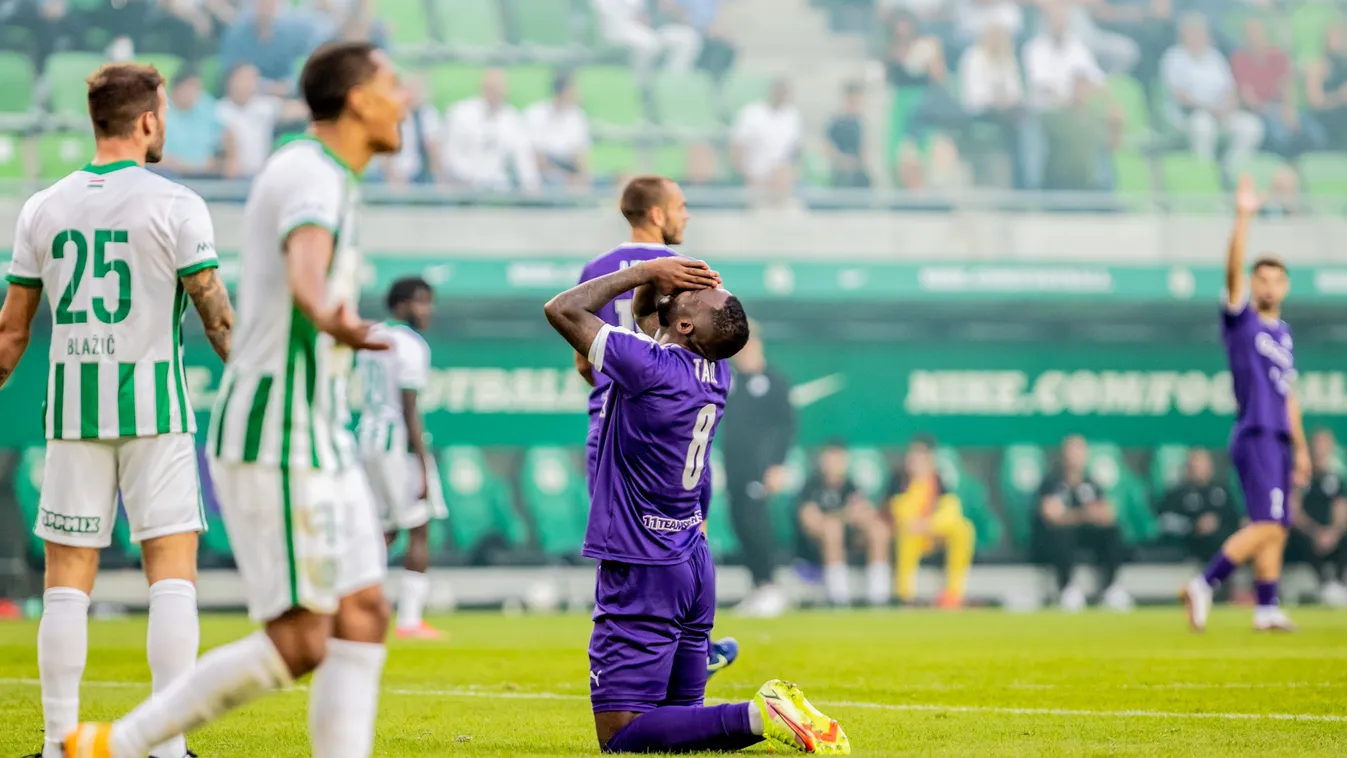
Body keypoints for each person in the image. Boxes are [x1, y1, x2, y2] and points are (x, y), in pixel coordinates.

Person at [64, 41, 406, 757]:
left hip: (320, 433)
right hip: (276, 434)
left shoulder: (334, 175)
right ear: (356, 99)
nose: (405, 97)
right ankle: (115, 745)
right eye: (391, 84)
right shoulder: (308, 173)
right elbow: (307, 273)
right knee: (303, 637)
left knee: (367, 612)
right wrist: (338, 319)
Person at [0, 62, 234, 758]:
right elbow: (213, 310)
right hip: (156, 411)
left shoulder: (43, 206)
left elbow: (12, 330)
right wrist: (252, 377)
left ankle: (54, 745)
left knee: (67, 580)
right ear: (148, 120)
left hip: (73, 413)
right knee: (171, 570)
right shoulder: (176, 204)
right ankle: (167, 746)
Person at [543, 253, 848, 754]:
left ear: (685, 325)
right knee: (682, 729)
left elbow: (563, 309)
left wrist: (644, 271)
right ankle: (756, 716)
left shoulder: (652, 367)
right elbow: (649, 322)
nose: (683, 293)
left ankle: (759, 714)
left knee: (621, 738)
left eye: (694, 299)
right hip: (691, 559)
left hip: (644, 562)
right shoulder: (715, 372)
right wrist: (660, 285)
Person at [572, 175, 739, 679]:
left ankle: (648, 656)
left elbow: (585, 364)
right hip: (681, 418)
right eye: (682, 206)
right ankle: (690, 647)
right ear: (659, 215)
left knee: (627, 544)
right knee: (687, 530)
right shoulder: (692, 273)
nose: (687, 216)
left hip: (617, 419)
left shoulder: (597, 271)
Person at [1182, 175, 1308, 634]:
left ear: (1287, 286)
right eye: (1262, 278)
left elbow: (1287, 392)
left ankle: (1266, 607)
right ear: (1253, 284)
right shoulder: (1243, 322)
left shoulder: (1284, 334)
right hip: (1254, 431)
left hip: (1279, 437)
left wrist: (1303, 449)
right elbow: (1232, 271)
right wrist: (1243, 217)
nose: (1270, 286)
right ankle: (1204, 582)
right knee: (1269, 525)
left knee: (1274, 523)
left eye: (1278, 279)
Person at [355, 277, 449, 639]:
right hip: (396, 442)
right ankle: (409, 620)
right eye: (421, 302)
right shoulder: (411, 345)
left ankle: (350, 603)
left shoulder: (371, 335)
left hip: (368, 437)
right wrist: (424, 466)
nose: (427, 310)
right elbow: (409, 409)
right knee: (419, 524)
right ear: (400, 304)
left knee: (382, 528)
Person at [721, 322, 795, 618]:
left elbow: (787, 427)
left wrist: (777, 464)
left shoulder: (774, 382)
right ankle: (757, 586)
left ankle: (771, 586)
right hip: (734, 468)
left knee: (756, 523)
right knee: (740, 523)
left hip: (760, 468)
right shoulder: (731, 381)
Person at [1033, 435, 1131, 612]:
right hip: (1059, 536)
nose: (1074, 456)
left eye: (1078, 451)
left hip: (1087, 534)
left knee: (1111, 531)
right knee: (1061, 534)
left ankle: (1110, 588)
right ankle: (1067, 588)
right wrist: (1085, 514)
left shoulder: (1091, 483)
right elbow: (1052, 516)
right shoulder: (1051, 482)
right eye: (1070, 451)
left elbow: (1108, 513)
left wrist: (1073, 514)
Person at [1161, 13, 1264, 176]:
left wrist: (1227, 108)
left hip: (1222, 113)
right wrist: (1209, 109)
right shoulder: (1174, 57)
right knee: (1203, 126)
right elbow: (1180, 95)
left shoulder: (1215, 57)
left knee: (1251, 126)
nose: (1197, 37)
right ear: (1183, 35)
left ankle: (1230, 170)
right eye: (1192, 32)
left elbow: (1230, 89)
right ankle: (1205, 172)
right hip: (1190, 115)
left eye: (1200, 32)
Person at [797, 442, 892, 607]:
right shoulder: (812, 486)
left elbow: (865, 511)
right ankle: (838, 596)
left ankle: (879, 596)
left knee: (878, 530)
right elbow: (810, 521)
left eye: (838, 459)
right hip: (816, 544)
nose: (834, 464)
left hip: (851, 538)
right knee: (832, 529)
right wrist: (843, 516)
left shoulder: (850, 486)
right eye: (830, 458)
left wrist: (860, 516)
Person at [888, 436, 974, 608]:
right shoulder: (900, 480)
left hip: (933, 532)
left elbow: (951, 509)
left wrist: (929, 524)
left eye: (921, 455)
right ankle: (905, 595)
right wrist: (917, 483)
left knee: (964, 529)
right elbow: (898, 511)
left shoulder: (939, 481)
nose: (915, 459)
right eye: (913, 454)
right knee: (908, 534)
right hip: (909, 534)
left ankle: (954, 593)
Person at [1230, 17, 1326, 158]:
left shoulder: (1277, 56)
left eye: (1257, 32)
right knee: (1280, 136)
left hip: (1281, 107)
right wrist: (1265, 110)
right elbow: (1246, 94)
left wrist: (1289, 110)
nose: (1254, 37)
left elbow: (1286, 84)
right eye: (1250, 33)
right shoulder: (1239, 59)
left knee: (1316, 134)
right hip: (1260, 111)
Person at [1289, 429, 1347, 607]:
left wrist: (1333, 533)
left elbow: (1341, 509)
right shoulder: (1301, 476)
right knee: (1298, 539)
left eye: (1326, 445)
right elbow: (1294, 510)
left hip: (1330, 535)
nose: (1322, 449)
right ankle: (1322, 587)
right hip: (1305, 534)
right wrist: (1316, 533)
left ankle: (1338, 583)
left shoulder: (1336, 479)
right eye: (1319, 444)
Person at [1156, 449, 1239, 566]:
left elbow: (1233, 518)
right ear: (1188, 468)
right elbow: (1164, 521)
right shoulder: (1176, 494)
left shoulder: (1222, 491)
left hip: (1221, 546)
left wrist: (1218, 524)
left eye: (1205, 464)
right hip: (1188, 546)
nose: (1201, 468)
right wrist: (1194, 525)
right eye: (1196, 464)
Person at [825, 81, 870, 188]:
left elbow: (863, 151)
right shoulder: (836, 122)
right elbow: (827, 148)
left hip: (857, 172)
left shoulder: (859, 123)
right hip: (840, 171)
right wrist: (842, 160)